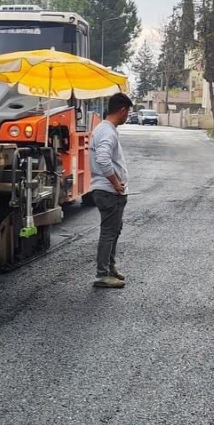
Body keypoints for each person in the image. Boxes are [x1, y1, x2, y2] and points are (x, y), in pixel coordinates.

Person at [90, 92, 133, 289]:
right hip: (108, 192)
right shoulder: (107, 131)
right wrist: (116, 183)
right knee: (109, 232)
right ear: (122, 110)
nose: (127, 116)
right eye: (128, 112)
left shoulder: (105, 129)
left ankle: (109, 268)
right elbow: (103, 159)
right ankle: (102, 274)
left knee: (114, 230)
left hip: (110, 192)